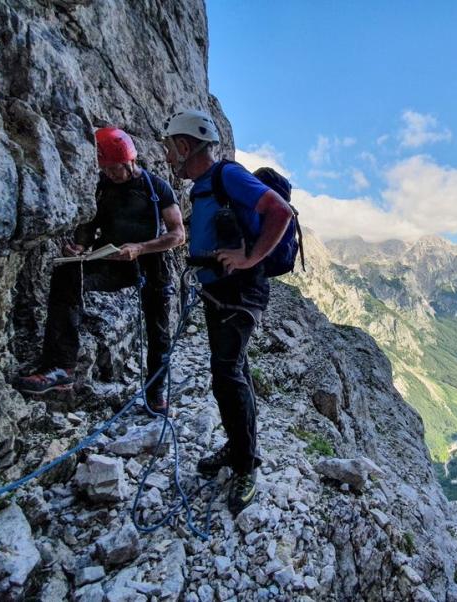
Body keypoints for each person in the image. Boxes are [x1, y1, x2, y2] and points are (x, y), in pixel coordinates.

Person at [160, 109, 292, 514]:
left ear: (184, 146)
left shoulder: (226, 176)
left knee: (227, 374)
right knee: (234, 373)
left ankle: (245, 464)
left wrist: (251, 257)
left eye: (169, 149)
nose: (167, 157)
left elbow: (280, 213)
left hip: (239, 292)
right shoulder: (203, 186)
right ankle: (239, 448)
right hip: (221, 292)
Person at [16, 127, 185, 413]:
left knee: (158, 333)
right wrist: (80, 247)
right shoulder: (102, 186)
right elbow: (90, 224)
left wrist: (141, 247)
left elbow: (177, 235)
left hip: (150, 264)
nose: (110, 174)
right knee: (67, 275)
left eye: (114, 168)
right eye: (104, 168)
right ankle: (61, 367)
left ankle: (155, 394)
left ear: (129, 160)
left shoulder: (156, 188)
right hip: (111, 259)